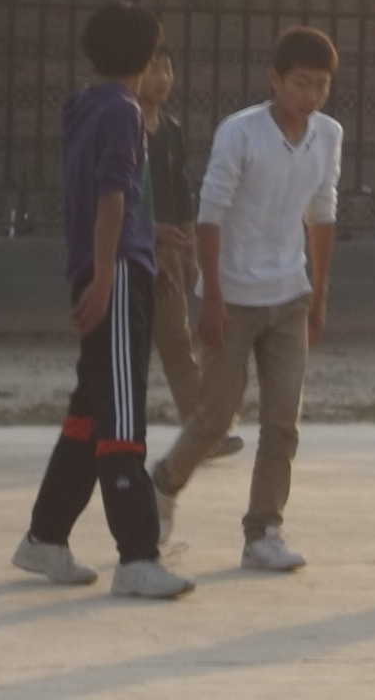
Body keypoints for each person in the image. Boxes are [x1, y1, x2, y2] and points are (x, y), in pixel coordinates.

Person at [14, 0, 194, 599]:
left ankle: (45, 538)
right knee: (121, 418)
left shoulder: (85, 106)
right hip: (114, 275)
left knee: (90, 414)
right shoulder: (123, 111)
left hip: (114, 263)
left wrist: (146, 238)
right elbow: (112, 199)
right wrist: (105, 276)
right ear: (146, 55)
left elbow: (110, 199)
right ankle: (138, 556)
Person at [149, 26, 343, 573]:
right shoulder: (240, 133)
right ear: (275, 81)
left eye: (321, 85)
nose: (311, 96)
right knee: (215, 416)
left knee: (283, 422)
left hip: (290, 296)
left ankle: (263, 530)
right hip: (233, 298)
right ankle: (162, 485)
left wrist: (319, 297)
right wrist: (211, 297)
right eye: (301, 83)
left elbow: (322, 214)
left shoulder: (328, 135)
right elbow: (210, 215)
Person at [140, 47, 243, 459]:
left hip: (168, 252)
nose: (163, 78)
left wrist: (189, 247)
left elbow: (181, 191)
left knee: (178, 344)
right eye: (153, 69)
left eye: (167, 68)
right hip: (129, 250)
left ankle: (205, 431)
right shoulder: (124, 127)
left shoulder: (170, 130)